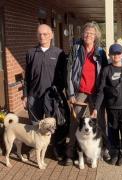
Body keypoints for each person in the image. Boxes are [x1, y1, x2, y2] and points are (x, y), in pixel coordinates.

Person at [64, 21, 109, 165]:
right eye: (86, 32)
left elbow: (105, 73)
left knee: (100, 122)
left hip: (96, 93)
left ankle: (103, 150)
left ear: (96, 36)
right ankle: (70, 153)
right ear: (82, 34)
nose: (88, 35)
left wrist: (104, 93)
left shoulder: (100, 52)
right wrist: (71, 94)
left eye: (91, 33)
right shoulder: (76, 49)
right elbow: (69, 72)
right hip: (80, 91)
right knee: (75, 122)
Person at [23, 24, 69, 160]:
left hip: (52, 97)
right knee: (35, 124)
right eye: (40, 34)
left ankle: (56, 148)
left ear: (51, 35)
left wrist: (63, 94)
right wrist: (25, 95)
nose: (42, 36)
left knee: (53, 123)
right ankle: (34, 146)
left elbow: (64, 76)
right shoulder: (31, 53)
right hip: (34, 95)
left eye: (45, 34)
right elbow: (27, 77)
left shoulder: (59, 53)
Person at [91, 43, 122, 166]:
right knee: (113, 130)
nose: (116, 55)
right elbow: (101, 91)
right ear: (109, 55)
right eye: (113, 53)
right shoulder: (106, 70)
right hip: (111, 107)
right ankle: (115, 151)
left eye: (118, 53)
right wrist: (96, 108)